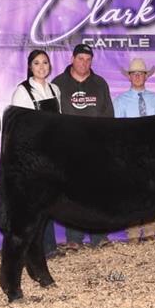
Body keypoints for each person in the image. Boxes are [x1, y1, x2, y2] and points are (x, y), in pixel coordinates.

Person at [53, 44, 114, 249]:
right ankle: (74, 238)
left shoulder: (100, 83)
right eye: (80, 58)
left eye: (88, 60)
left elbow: (108, 115)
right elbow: (51, 117)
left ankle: (99, 237)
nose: (84, 63)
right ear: (72, 59)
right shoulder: (57, 84)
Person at [11, 49, 63, 259]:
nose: (41, 67)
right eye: (37, 63)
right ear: (29, 67)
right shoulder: (22, 91)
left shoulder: (55, 89)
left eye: (45, 62)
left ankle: (49, 247)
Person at [114, 58, 155, 243]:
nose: (137, 76)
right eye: (134, 74)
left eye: (140, 73)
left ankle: (150, 230)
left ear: (146, 76)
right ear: (129, 77)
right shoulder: (120, 101)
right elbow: (117, 129)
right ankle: (133, 232)